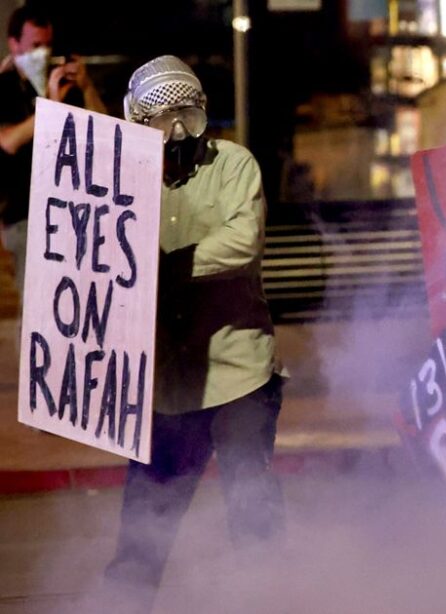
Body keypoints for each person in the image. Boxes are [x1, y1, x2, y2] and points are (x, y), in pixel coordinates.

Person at [100, 55, 286, 613]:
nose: (175, 132)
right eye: (159, 119)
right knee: (141, 532)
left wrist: (159, 266)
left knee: (254, 519)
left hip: (238, 374)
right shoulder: (115, 177)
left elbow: (243, 241)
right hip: (163, 383)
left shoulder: (234, 165)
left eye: (186, 116)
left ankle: (276, 602)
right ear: (135, 121)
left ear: (203, 114)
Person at [0, 4, 106, 295]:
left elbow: (104, 128)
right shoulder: (5, 86)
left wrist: (85, 87)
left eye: (48, 45)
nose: (43, 53)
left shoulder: (59, 82)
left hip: (71, 213)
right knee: (36, 302)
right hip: (25, 215)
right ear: (14, 44)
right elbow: (7, 140)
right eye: (35, 45)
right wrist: (51, 109)